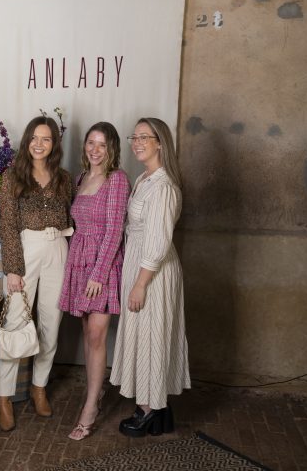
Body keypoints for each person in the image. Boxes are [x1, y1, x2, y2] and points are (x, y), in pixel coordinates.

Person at [109, 117, 190, 437]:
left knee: (152, 337)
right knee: (144, 336)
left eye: (145, 137)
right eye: (135, 137)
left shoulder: (163, 186)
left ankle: (150, 409)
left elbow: (157, 243)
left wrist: (141, 284)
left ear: (160, 142)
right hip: (139, 265)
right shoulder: (145, 179)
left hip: (153, 273)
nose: (137, 142)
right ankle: (156, 407)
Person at [0, 115, 73, 431]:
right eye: (35, 138)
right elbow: (7, 225)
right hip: (26, 248)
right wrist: (13, 270)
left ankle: (39, 387)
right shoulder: (12, 176)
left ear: (54, 144)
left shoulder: (64, 178)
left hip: (58, 248)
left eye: (46, 139)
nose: (39, 144)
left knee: (51, 324)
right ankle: (4, 397)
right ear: (27, 140)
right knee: (15, 322)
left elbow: (73, 216)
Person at [58, 122, 130, 440]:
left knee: (98, 334)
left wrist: (99, 274)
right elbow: (75, 224)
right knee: (88, 333)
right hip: (79, 259)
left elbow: (114, 230)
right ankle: (96, 391)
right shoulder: (81, 178)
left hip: (104, 263)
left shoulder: (117, 179)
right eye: (91, 143)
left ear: (111, 148)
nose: (95, 149)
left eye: (102, 144)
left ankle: (90, 408)